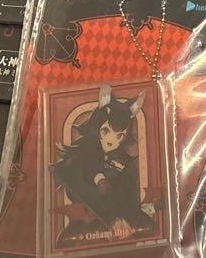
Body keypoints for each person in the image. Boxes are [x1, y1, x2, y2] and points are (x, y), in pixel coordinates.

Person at [52, 85, 157, 241]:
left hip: (121, 218)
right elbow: (79, 186)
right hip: (90, 219)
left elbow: (127, 190)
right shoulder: (85, 151)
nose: (111, 140)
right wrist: (111, 215)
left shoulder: (122, 160)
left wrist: (136, 210)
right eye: (106, 131)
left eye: (119, 136)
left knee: (150, 229)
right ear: (97, 128)